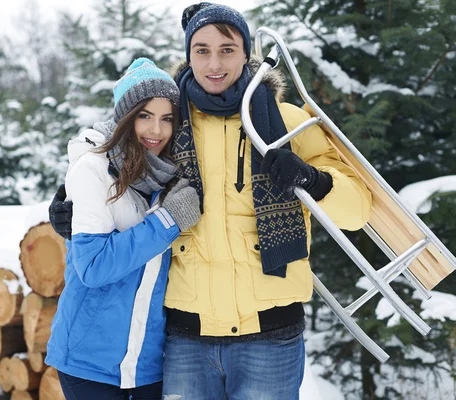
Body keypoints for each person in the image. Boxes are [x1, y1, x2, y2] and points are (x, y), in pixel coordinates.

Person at [50, 3, 372, 399]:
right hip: (188, 340)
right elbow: (113, 143)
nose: (214, 62)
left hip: (269, 337)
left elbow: (358, 210)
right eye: (201, 50)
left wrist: (313, 179)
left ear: (246, 52)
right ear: (188, 55)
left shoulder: (287, 121)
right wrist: (70, 196)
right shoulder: (172, 121)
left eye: (227, 49)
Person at [45, 58, 201, 400]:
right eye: (144, 116)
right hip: (90, 361)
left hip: (149, 364)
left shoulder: (173, 174)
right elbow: (93, 266)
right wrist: (167, 222)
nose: (156, 131)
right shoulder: (94, 169)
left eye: (166, 119)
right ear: (124, 118)